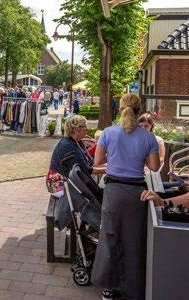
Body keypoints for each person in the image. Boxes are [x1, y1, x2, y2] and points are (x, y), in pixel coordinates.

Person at [92, 93, 160, 300]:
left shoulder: (108, 133)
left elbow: (97, 160)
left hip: (113, 191)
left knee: (110, 238)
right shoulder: (149, 137)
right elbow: (154, 167)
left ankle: (108, 287)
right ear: (140, 110)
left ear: (120, 109)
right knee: (134, 240)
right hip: (136, 194)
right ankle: (132, 289)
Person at [46, 115, 104, 197]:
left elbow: (91, 163)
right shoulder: (68, 145)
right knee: (91, 195)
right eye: (85, 126)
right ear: (77, 130)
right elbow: (87, 170)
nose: (87, 129)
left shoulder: (78, 142)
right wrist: (108, 169)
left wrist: (108, 166)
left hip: (66, 181)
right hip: (56, 185)